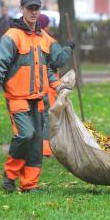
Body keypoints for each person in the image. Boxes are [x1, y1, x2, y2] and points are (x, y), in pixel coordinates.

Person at [0, 0, 73, 193]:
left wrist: (57, 84)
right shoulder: (12, 37)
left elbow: (46, 67)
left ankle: (30, 185)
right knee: (25, 135)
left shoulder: (43, 37)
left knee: (36, 143)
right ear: (22, 9)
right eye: (29, 8)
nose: (33, 12)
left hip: (39, 99)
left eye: (36, 8)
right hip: (17, 97)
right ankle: (10, 174)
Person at [37, 13, 74, 157]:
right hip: (48, 84)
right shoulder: (48, 40)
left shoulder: (32, 38)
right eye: (48, 24)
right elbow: (59, 60)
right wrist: (69, 48)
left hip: (34, 83)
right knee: (48, 116)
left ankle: (36, 146)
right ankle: (46, 149)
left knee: (38, 116)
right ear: (45, 25)